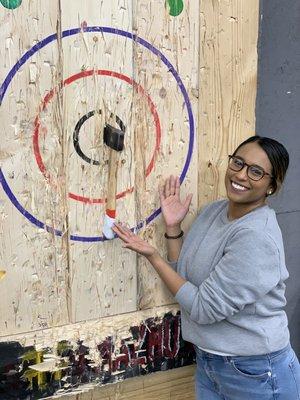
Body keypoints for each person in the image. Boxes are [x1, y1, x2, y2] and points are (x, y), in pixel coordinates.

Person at [112, 135, 300, 400]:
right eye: (238, 163)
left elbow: (203, 308)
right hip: (211, 363)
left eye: (256, 172)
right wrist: (174, 227)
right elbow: (185, 279)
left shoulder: (256, 236)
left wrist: (153, 256)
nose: (242, 175)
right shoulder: (214, 211)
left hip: (256, 371)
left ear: (272, 185)